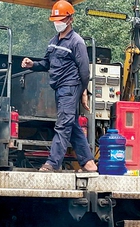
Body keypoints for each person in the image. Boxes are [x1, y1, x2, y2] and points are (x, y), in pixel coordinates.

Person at [21, 0, 97, 173]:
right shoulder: (53, 42)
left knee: (63, 125)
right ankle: (89, 163)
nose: (58, 23)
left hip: (70, 88)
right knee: (73, 126)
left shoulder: (76, 42)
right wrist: (32, 64)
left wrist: (82, 91)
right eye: (55, 20)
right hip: (59, 89)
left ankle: (52, 163)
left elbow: (85, 71)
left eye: (61, 19)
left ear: (70, 19)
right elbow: (47, 63)